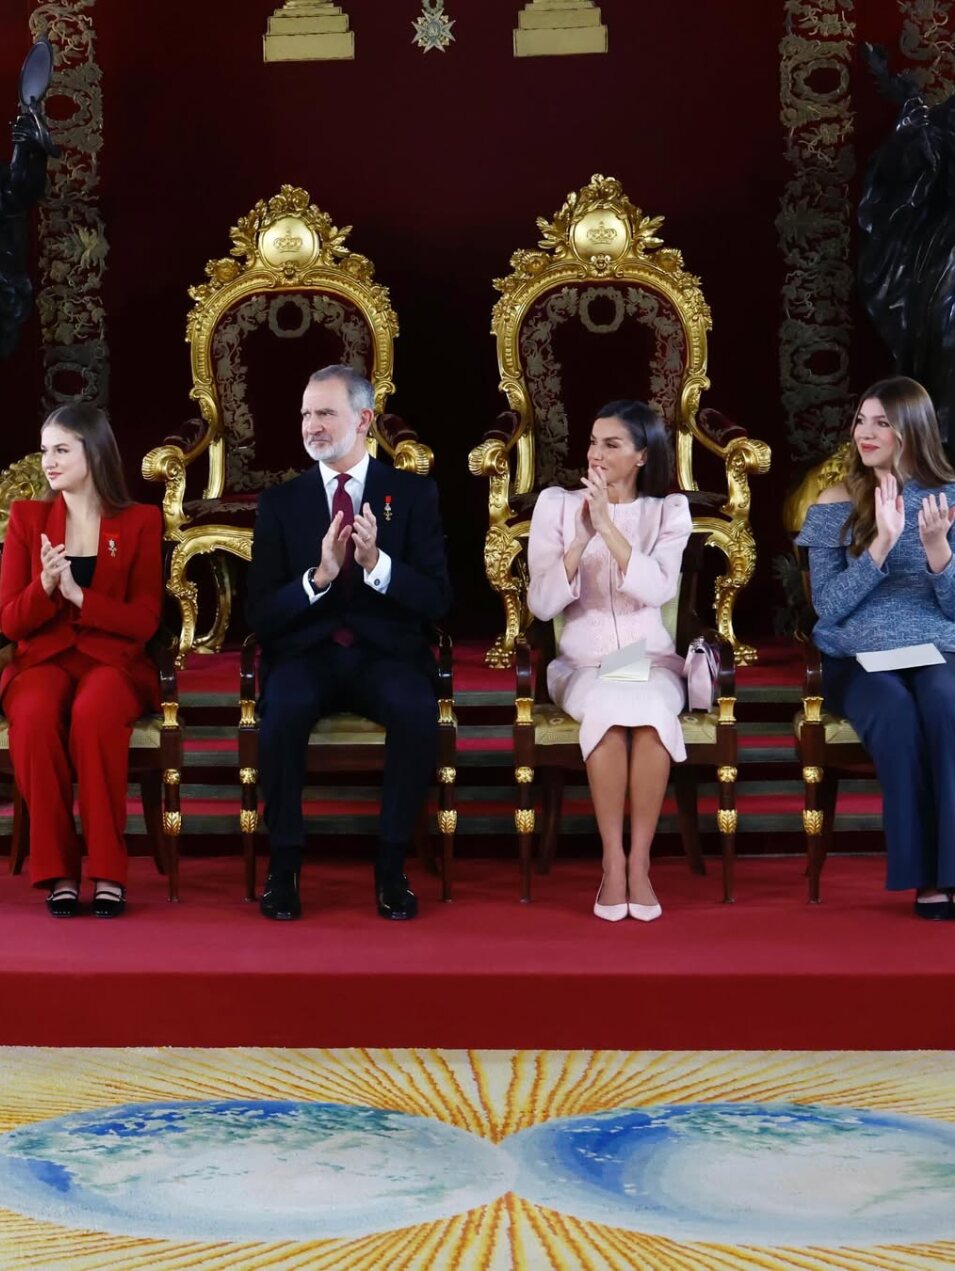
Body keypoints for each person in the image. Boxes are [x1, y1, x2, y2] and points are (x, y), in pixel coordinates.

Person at [246, 364, 451, 921]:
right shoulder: (280, 503)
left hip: (386, 654)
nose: (311, 425)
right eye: (305, 414)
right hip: (306, 654)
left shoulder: (411, 494)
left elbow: (437, 600)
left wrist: (377, 565)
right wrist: (318, 579)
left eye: (325, 413)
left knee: (416, 709)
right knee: (281, 712)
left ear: (363, 420)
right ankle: (284, 866)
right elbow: (260, 613)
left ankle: (391, 867)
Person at [527, 400, 692, 923]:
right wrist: (581, 538)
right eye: (594, 442)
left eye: (612, 444)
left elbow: (659, 588)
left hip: (651, 662)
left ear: (642, 455)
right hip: (583, 666)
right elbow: (542, 605)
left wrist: (610, 529)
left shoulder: (668, 512)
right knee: (607, 707)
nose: (596, 454)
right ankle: (611, 860)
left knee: (650, 712)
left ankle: (639, 862)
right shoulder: (556, 505)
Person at [796, 376, 955, 917]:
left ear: (912, 430)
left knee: (945, 703)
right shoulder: (833, 503)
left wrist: (938, 552)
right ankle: (924, 877)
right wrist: (881, 545)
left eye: (881, 422)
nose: (864, 433)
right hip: (858, 658)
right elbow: (828, 606)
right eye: (861, 420)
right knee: (895, 712)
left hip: (937, 649)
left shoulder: (948, 499)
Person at [0, 404, 164, 917]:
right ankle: (58, 872)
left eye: (61, 450)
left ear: (93, 453)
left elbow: (144, 622)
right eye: (45, 450)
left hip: (112, 663)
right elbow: (9, 622)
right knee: (32, 716)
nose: (48, 462)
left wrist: (79, 596)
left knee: (94, 715)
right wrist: (46, 586)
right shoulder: (27, 519)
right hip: (42, 661)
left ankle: (109, 871)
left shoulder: (139, 522)